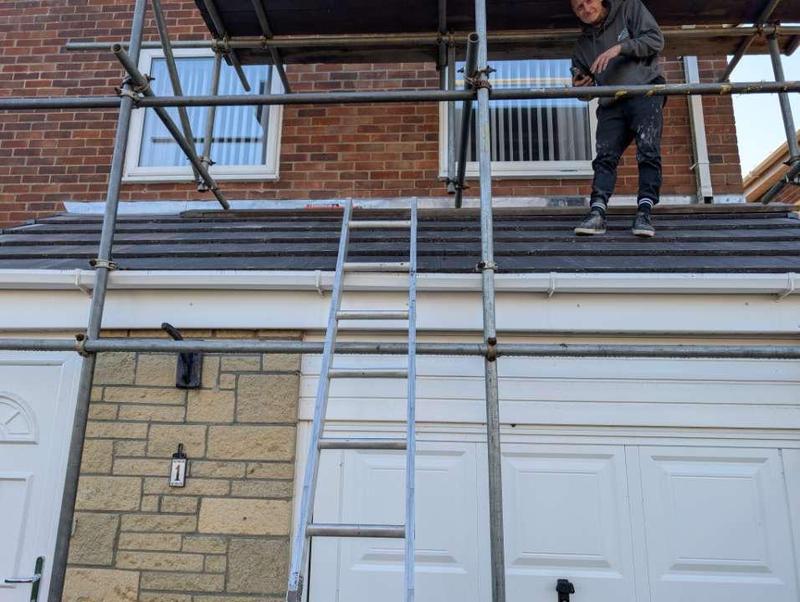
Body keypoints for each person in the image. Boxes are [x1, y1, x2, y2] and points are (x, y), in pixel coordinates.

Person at [570, 0, 665, 237]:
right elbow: (583, 92)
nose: (586, 9)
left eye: (589, 1)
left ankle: (644, 213)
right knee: (604, 157)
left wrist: (619, 48)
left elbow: (655, 40)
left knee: (648, 150)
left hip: (645, 91)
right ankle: (597, 213)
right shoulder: (582, 45)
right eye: (579, 7)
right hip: (611, 103)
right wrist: (581, 86)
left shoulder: (629, 7)